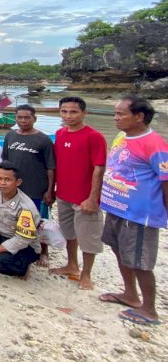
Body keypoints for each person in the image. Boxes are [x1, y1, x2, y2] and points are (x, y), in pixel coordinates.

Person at [98, 95, 168, 326]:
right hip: (117, 207)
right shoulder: (122, 138)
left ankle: (149, 310)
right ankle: (130, 294)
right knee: (119, 251)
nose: (115, 118)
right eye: (115, 113)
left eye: (120, 114)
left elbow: (166, 181)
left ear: (139, 116)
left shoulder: (155, 144)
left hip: (139, 214)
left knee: (140, 261)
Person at [50, 96, 107, 290]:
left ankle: (86, 274)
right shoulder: (60, 133)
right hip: (63, 194)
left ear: (84, 113)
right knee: (69, 233)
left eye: (73, 112)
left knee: (88, 237)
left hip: (84, 197)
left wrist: (93, 198)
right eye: (64, 111)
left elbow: (99, 169)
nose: (68, 116)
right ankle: (72, 264)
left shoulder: (94, 136)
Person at [2, 104, 55, 266]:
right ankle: (18, 248)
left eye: (27, 117)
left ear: (34, 119)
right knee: (15, 220)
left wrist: (50, 190)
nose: (23, 120)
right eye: (20, 117)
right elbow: (5, 162)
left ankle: (44, 251)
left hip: (36, 189)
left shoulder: (44, 140)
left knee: (40, 223)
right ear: (15, 118)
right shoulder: (10, 136)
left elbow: (51, 168)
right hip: (13, 189)